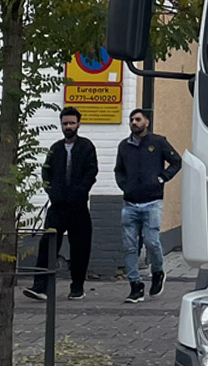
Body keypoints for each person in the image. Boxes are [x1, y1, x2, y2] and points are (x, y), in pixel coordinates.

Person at [24, 106, 98, 301]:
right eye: (65, 123)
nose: (68, 127)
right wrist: (52, 192)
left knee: (80, 247)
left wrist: (78, 192)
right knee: (47, 244)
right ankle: (40, 287)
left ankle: (77, 287)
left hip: (78, 207)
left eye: (72, 123)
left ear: (78, 124)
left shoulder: (86, 147)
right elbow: (46, 172)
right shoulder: (55, 148)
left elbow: (91, 173)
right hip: (57, 207)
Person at [114, 107, 182, 303]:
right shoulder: (124, 146)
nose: (134, 123)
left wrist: (162, 178)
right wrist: (124, 185)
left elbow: (176, 161)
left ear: (146, 122)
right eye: (131, 120)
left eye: (137, 119)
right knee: (129, 246)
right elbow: (119, 170)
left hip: (152, 201)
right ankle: (135, 285)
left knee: (152, 241)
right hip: (130, 202)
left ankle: (158, 271)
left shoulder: (158, 142)